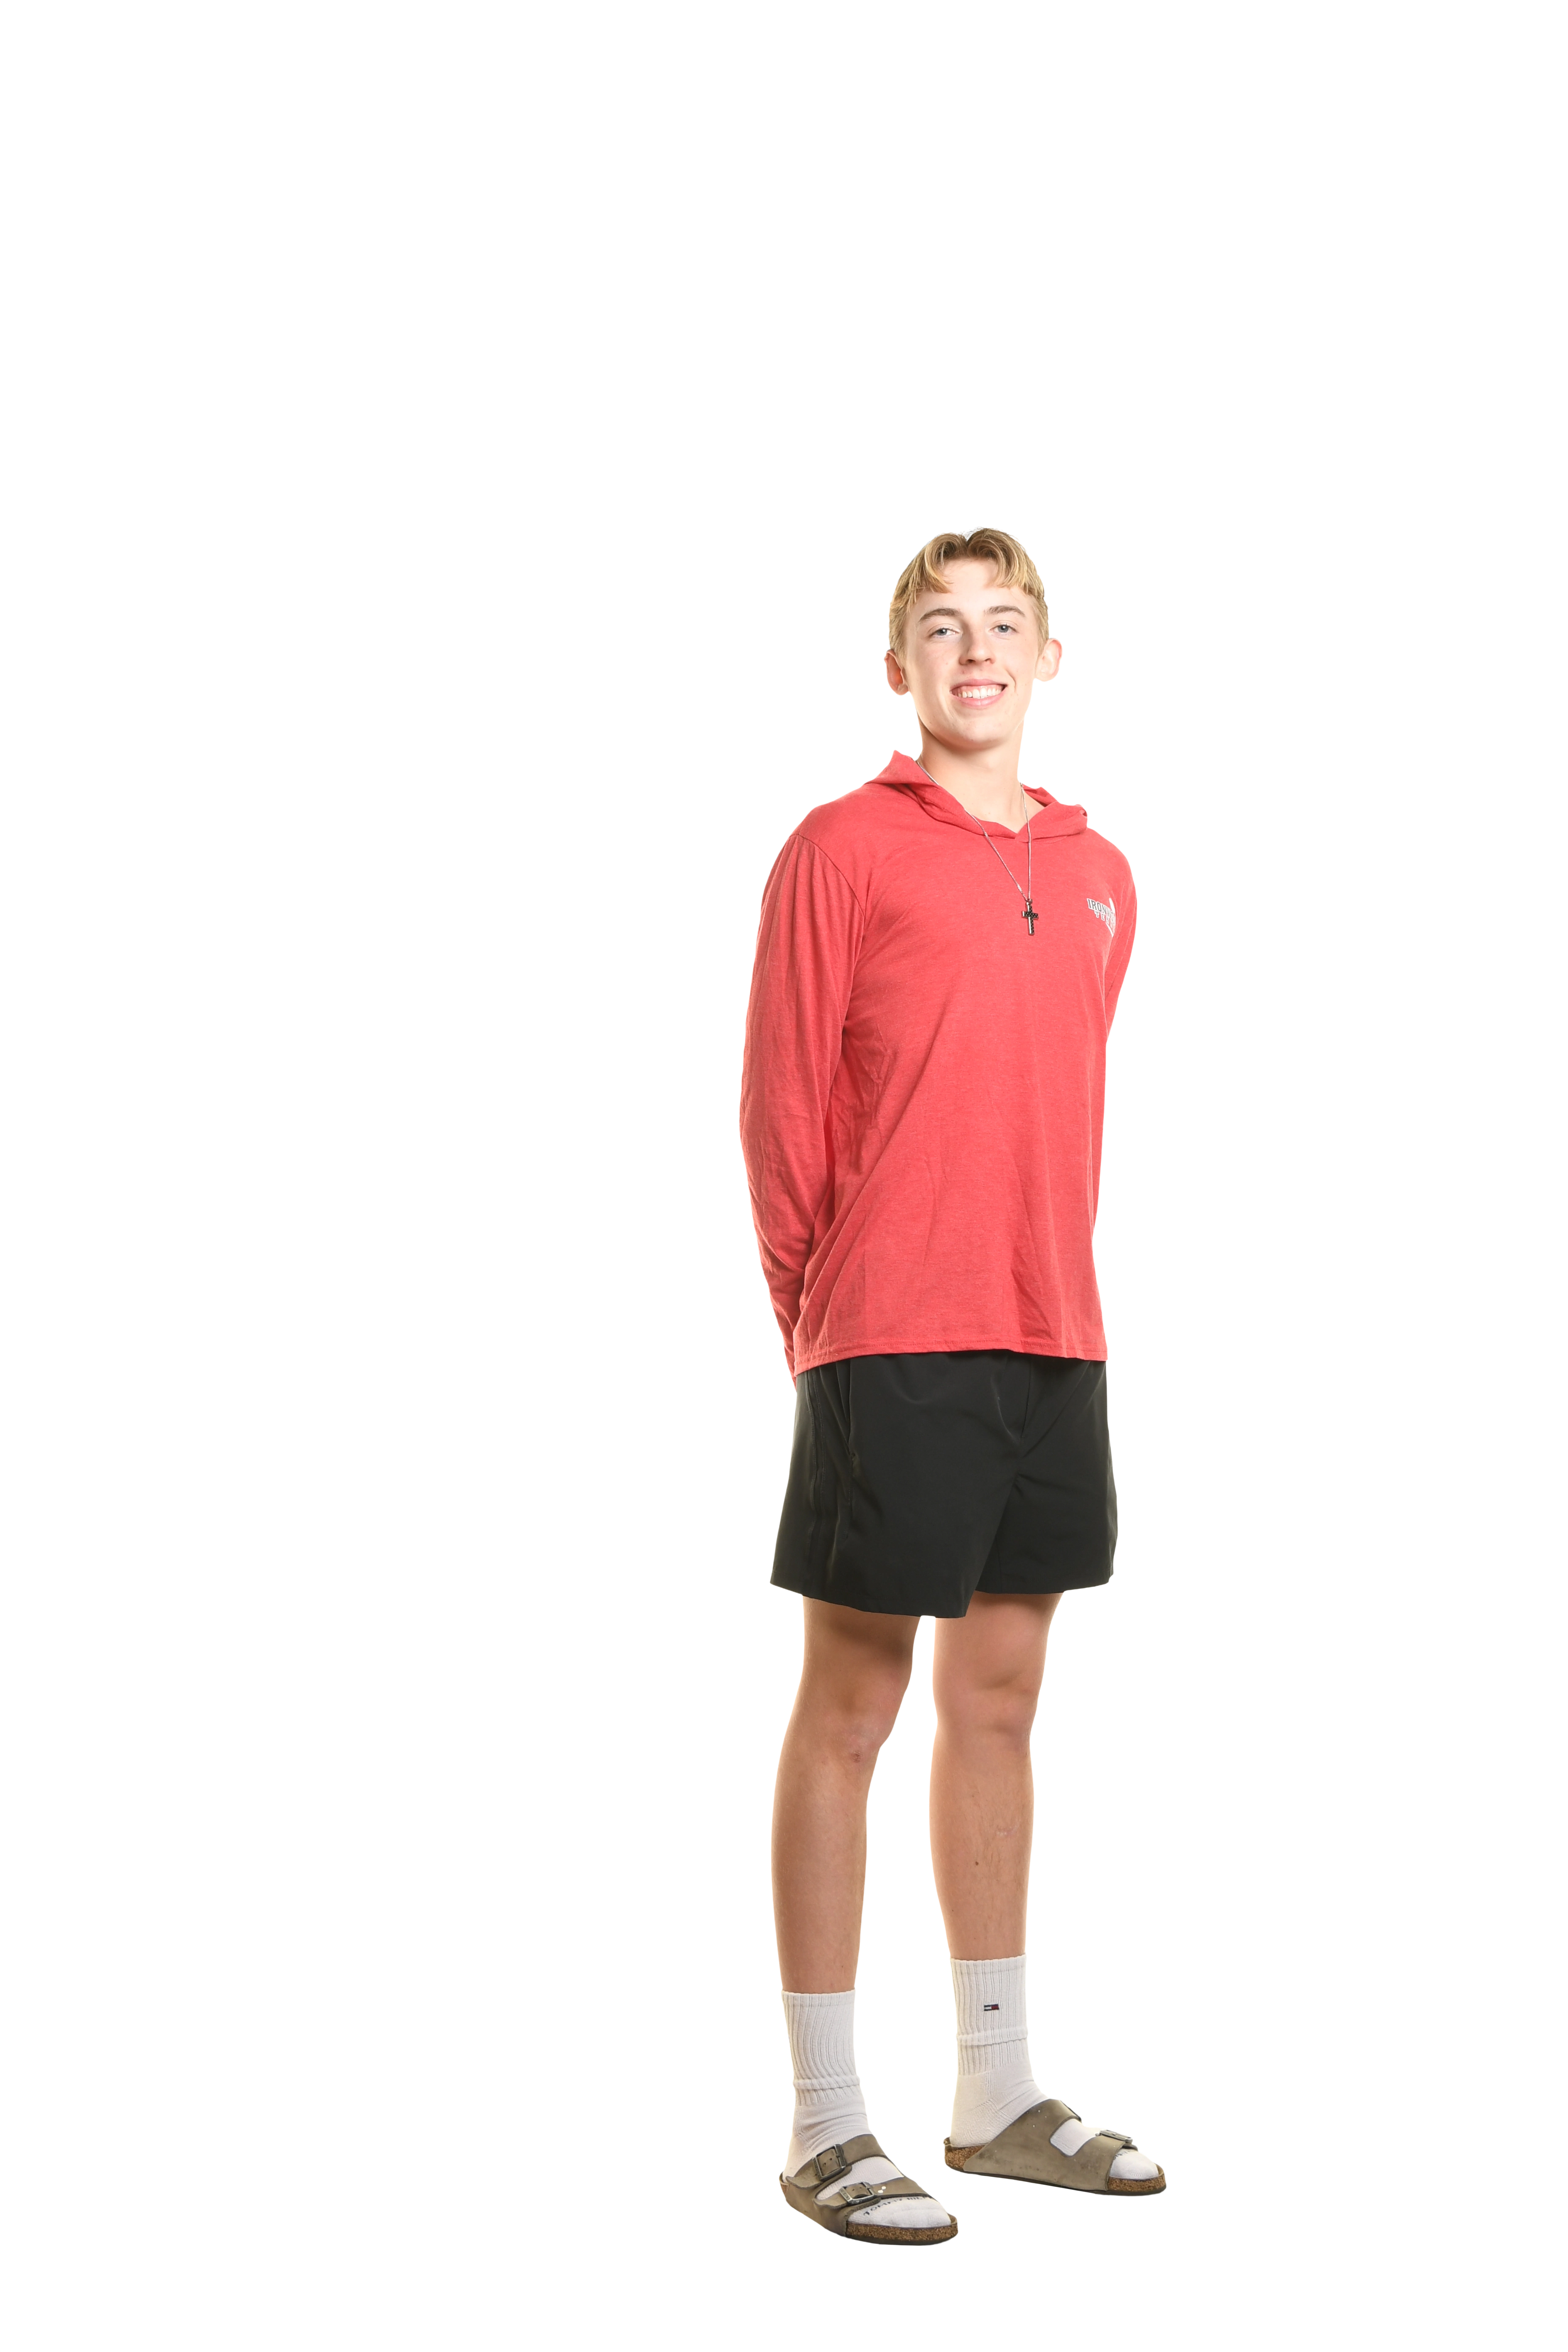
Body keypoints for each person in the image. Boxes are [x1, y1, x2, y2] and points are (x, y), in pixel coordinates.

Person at [740, 525, 1162, 2244]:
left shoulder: (1102, 868)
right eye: (940, 625)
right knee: (852, 1704)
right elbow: (780, 1109)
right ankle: (829, 2123)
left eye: (1005, 622)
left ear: (1047, 655)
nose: (974, 649)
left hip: (1054, 1332)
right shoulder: (839, 849)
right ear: (897, 662)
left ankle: (994, 2097)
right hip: (887, 1338)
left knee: (1000, 1702)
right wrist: (820, 1321)